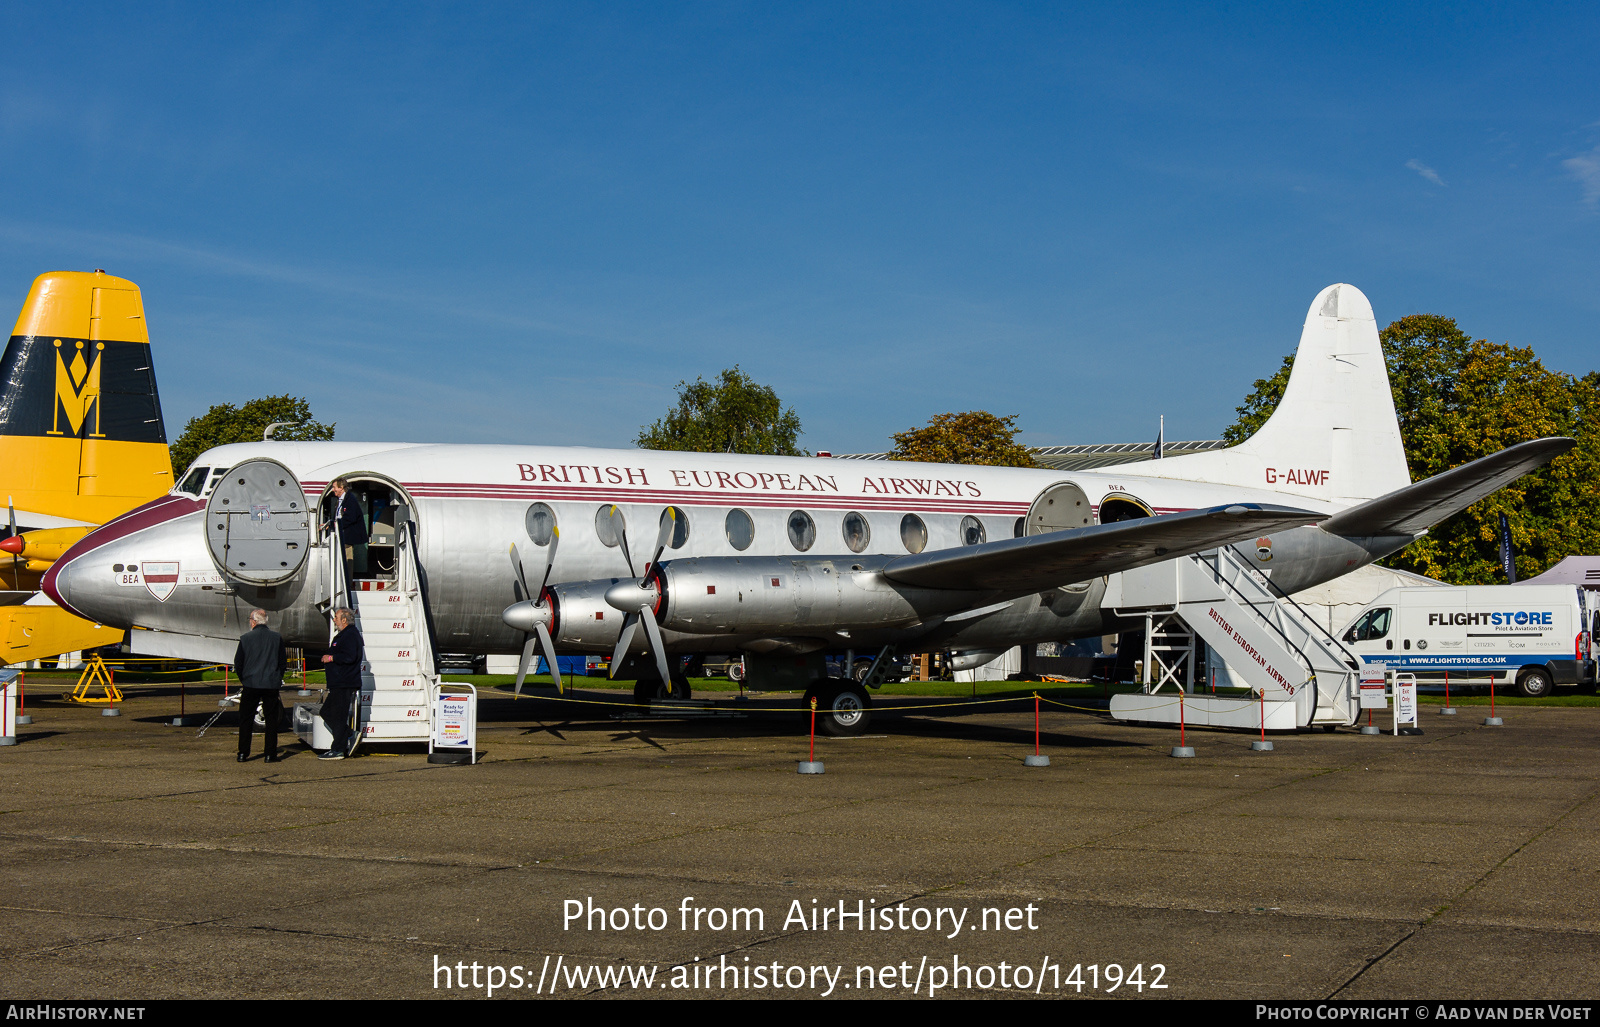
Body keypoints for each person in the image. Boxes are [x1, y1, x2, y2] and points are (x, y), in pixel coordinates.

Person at [234, 608, 287, 763]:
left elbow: (238, 663)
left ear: (254, 621)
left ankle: (243, 753)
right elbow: (282, 663)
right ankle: (270, 754)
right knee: (271, 720)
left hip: (251, 683)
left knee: (245, 719)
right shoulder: (276, 638)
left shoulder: (245, 638)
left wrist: (244, 679)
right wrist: (277, 678)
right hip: (270, 683)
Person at [319, 607, 363, 759]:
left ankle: (338, 748)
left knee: (337, 715)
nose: (334, 620)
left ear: (344, 620)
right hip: (338, 682)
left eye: (336, 618)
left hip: (344, 682)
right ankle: (349, 734)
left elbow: (350, 657)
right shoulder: (343, 635)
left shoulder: (350, 635)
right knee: (326, 712)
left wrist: (332, 658)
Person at [321, 478, 366, 583]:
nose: (333, 490)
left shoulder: (350, 500)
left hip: (347, 537)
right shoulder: (341, 500)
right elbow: (338, 517)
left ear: (341, 488)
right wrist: (330, 524)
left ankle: (347, 583)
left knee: (347, 560)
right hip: (341, 535)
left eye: (334, 487)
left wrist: (336, 524)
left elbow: (350, 517)